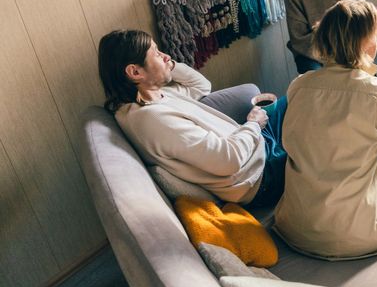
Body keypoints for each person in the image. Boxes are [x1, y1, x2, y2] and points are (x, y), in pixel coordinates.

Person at [275, 0, 377, 259]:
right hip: (359, 237)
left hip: (297, 229)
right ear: (368, 45)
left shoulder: (299, 86)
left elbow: (289, 141)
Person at [98, 30, 286, 207]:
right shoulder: (153, 120)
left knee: (300, 93)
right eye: (156, 53)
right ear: (135, 72)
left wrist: (168, 66)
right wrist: (253, 123)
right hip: (258, 176)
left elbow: (202, 86)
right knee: (311, 120)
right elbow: (228, 160)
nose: (167, 56)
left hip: (256, 147)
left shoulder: (156, 95)